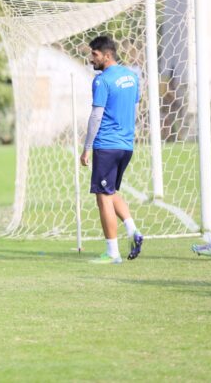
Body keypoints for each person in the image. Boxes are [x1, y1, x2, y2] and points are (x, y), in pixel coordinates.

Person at [80, 36, 143, 264]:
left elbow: (96, 116)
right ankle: (133, 230)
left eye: (94, 54)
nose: (91, 59)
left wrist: (87, 148)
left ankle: (112, 253)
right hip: (126, 145)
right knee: (111, 191)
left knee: (103, 198)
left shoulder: (102, 80)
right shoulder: (132, 76)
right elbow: (134, 105)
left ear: (107, 55)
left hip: (107, 144)